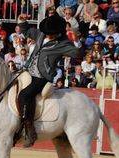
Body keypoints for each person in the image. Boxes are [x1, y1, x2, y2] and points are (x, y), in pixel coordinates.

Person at [17, 13, 78, 147]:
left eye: (52, 34)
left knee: (24, 95)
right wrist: (22, 20)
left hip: (42, 77)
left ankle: (30, 130)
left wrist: (72, 38)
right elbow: (26, 30)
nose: (49, 35)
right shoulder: (40, 34)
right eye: (48, 33)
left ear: (58, 33)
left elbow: (76, 52)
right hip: (28, 71)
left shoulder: (63, 43)